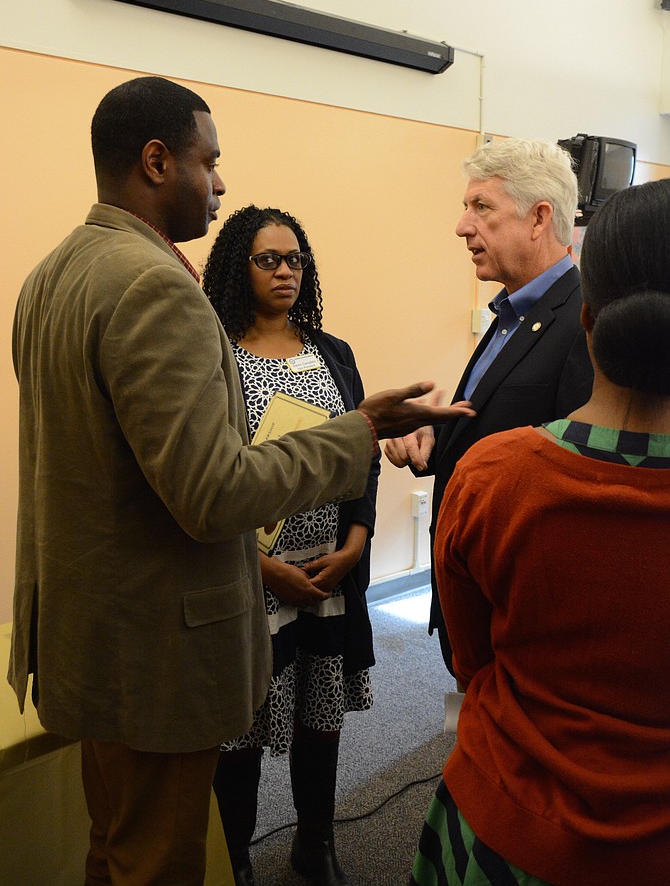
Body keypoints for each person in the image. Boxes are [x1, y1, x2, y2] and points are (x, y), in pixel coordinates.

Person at [8, 76, 476, 886]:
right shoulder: (157, 288)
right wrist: (359, 430)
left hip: (89, 638)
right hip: (153, 654)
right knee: (156, 863)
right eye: (209, 161)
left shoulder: (55, 272)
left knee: (113, 846)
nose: (220, 183)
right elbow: (213, 493)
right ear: (157, 161)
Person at [410, 177, 670, 885]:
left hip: (503, 831)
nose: (465, 225)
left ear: (585, 317)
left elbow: (473, 663)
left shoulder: (495, 475)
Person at [202, 205, 378, 886]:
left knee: (321, 714)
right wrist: (262, 567)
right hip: (250, 579)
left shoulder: (332, 352)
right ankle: (236, 855)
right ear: (237, 268)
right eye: (268, 259)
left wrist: (357, 541)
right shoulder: (217, 353)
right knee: (240, 729)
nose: (285, 271)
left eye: (295, 259)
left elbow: (363, 454)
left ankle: (315, 841)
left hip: (330, 576)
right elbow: (206, 477)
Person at [385, 138, 593, 673]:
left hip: (521, 602)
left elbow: (573, 477)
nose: (461, 225)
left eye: (481, 207)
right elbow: (491, 433)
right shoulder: (510, 311)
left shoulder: (581, 324)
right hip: (471, 582)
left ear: (539, 218)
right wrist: (434, 440)